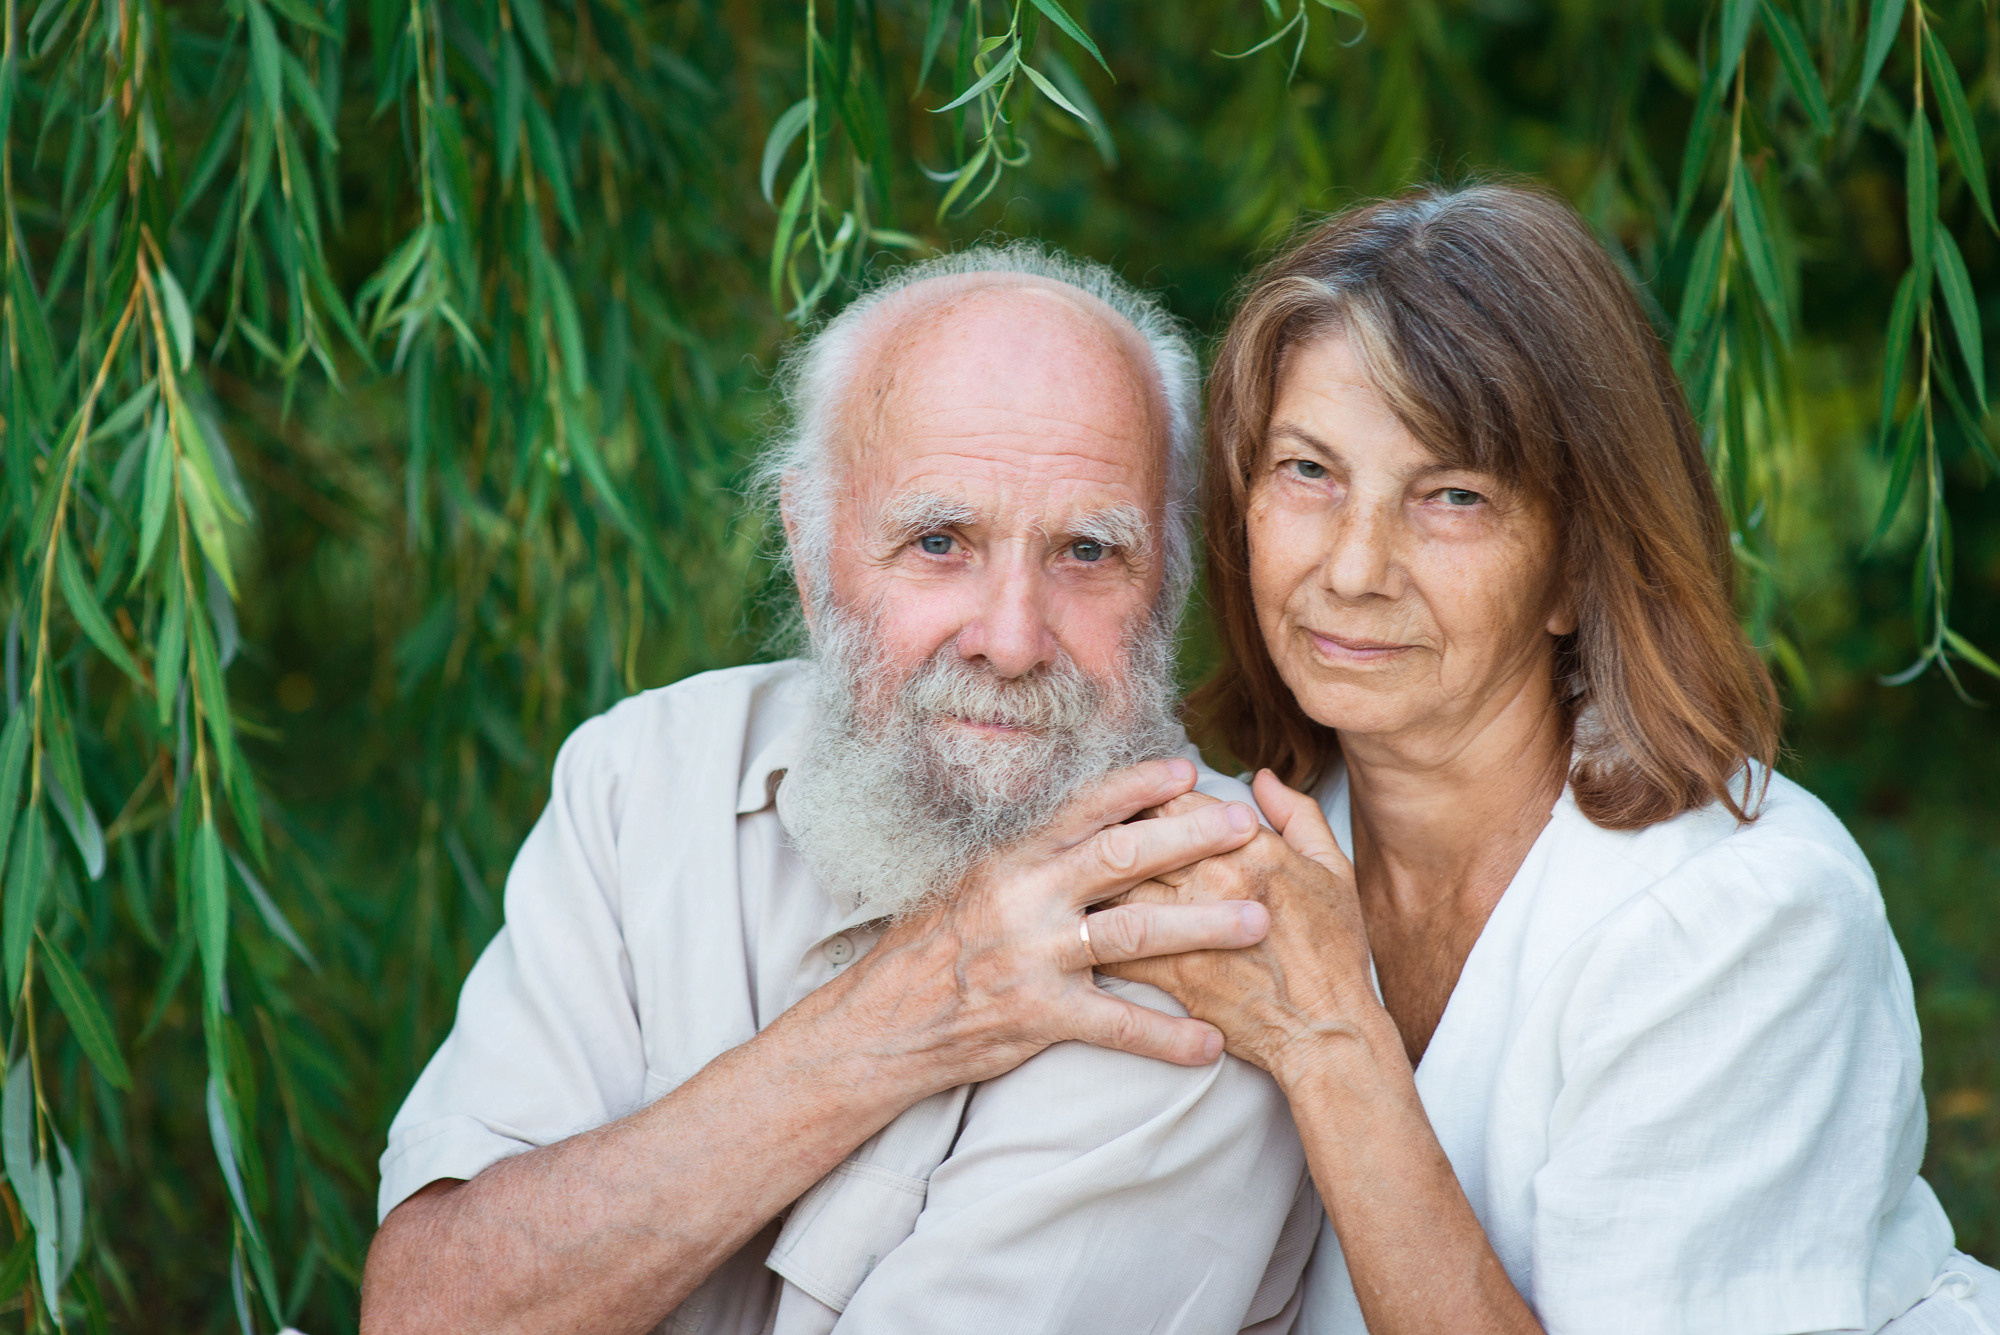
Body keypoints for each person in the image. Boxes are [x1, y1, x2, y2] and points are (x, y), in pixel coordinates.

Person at [358, 247, 1320, 1335]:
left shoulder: (1210, 926)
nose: (1009, 640)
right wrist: (897, 1019)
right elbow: (428, 1310)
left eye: (1087, 551)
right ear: (810, 558)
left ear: (1167, 585)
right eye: (938, 540)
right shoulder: (647, 775)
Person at [1106, 183, 2000, 1334]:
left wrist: (1330, 1045)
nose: (1352, 566)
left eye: (1453, 495)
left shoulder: (1741, 916)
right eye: (1308, 471)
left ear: (1579, 566)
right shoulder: (1236, 845)